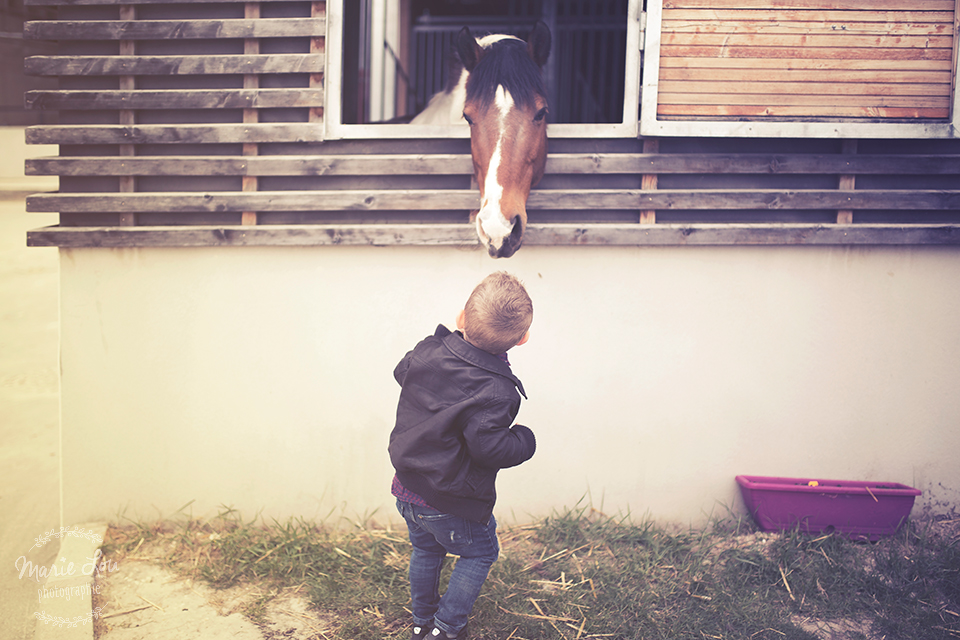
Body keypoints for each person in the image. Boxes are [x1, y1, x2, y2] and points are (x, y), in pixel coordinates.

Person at [389, 271, 537, 640]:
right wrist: (524, 439)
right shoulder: (498, 390)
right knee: (479, 553)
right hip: (449, 499)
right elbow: (490, 448)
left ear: (460, 319)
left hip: (407, 487)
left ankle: (422, 621)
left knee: (425, 549)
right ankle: (446, 628)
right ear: (522, 339)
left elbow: (401, 371)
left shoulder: (428, 350)